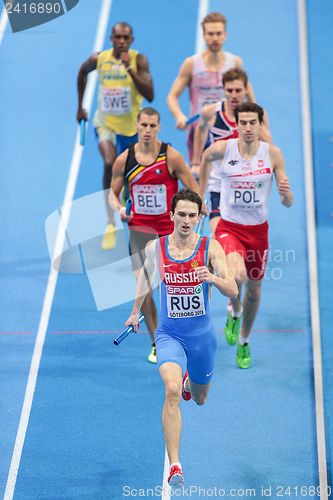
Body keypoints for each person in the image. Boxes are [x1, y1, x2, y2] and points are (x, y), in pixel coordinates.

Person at [125, 189, 238, 486]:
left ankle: (192, 383)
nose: (187, 220)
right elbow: (145, 278)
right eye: (182, 214)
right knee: (171, 390)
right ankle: (175, 464)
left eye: (192, 215)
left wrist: (212, 277)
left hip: (202, 339)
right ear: (172, 215)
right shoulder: (156, 248)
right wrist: (134, 311)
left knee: (199, 399)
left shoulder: (210, 248)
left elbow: (233, 290)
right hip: (169, 334)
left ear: (199, 218)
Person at [199, 102, 293, 369]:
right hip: (229, 227)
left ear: (260, 124)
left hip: (258, 233)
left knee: (254, 292)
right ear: (237, 124)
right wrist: (201, 194)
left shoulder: (272, 154)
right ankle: (234, 308)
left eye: (254, 123)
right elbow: (204, 159)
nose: (249, 128)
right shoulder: (223, 149)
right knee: (236, 275)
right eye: (244, 123)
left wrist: (286, 192)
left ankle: (244, 340)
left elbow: (288, 202)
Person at [111, 108, 202, 364]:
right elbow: (112, 193)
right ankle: (156, 342)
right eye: (144, 125)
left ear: (159, 127)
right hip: (139, 231)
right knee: (145, 289)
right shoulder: (125, 160)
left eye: (152, 125)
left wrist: (192, 213)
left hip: (169, 232)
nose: (148, 130)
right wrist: (119, 207)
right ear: (137, 126)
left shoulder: (170, 156)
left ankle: (183, 335)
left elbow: (191, 187)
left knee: (177, 288)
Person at [76, 22, 154, 250]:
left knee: (131, 176)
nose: (121, 41)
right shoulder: (99, 59)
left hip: (132, 129)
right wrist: (80, 106)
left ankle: (132, 213)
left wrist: (129, 68)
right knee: (110, 163)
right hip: (106, 125)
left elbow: (149, 95)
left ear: (131, 40)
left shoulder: (139, 61)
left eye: (125, 38)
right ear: (111, 39)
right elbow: (82, 72)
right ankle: (110, 222)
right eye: (117, 37)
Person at [167, 12, 255, 163]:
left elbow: (250, 97)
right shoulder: (192, 64)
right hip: (200, 130)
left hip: (228, 128)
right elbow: (172, 96)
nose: (215, 38)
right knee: (197, 177)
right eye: (210, 34)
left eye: (219, 33)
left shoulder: (235, 62)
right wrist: (179, 116)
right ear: (204, 35)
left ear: (225, 35)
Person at [192, 68, 271, 236]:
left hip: (246, 188)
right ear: (223, 90)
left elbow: (269, 149)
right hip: (219, 185)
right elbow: (200, 131)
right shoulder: (211, 112)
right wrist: (195, 162)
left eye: (238, 90)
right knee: (219, 240)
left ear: (245, 90)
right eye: (229, 90)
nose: (234, 95)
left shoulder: (258, 117)